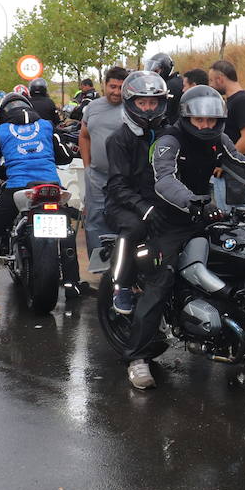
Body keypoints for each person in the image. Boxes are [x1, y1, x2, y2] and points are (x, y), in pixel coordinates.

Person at [111, 83, 245, 389]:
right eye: (200, 120)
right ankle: (137, 358)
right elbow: (164, 181)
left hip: (204, 215)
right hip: (170, 220)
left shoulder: (219, 141)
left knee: (242, 259)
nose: (206, 125)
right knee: (161, 281)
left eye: (211, 120)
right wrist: (193, 202)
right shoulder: (168, 140)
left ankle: (243, 338)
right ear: (186, 118)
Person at [0, 91, 81, 306]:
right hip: (51, 186)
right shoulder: (47, 126)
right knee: (67, 230)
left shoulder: (1, 131)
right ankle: (72, 285)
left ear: (3, 113)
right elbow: (65, 155)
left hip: (17, 188)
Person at [103, 71, 171, 318]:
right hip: (124, 204)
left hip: (158, 202)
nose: (149, 108)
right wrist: (143, 208)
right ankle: (120, 285)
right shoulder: (119, 139)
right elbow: (117, 185)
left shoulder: (167, 135)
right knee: (134, 229)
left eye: (153, 103)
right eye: (142, 103)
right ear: (131, 103)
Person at [78, 66, 128, 271]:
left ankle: (123, 270)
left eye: (121, 88)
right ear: (104, 85)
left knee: (125, 222)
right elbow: (84, 135)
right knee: (95, 222)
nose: (116, 92)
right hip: (97, 177)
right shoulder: (92, 108)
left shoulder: (133, 107)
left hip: (125, 179)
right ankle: (101, 271)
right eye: (112, 86)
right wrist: (87, 167)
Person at [209, 59, 245, 209]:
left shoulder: (242, 101)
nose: (210, 85)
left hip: (236, 178)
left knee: (236, 227)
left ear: (220, 79)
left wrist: (226, 163)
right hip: (227, 177)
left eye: (211, 80)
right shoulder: (230, 101)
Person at [145, 53, 184, 123]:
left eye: (156, 71)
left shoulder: (172, 85)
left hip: (173, 125)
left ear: (165, 69)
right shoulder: (173, 80)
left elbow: (163, 111)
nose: (152, 74)